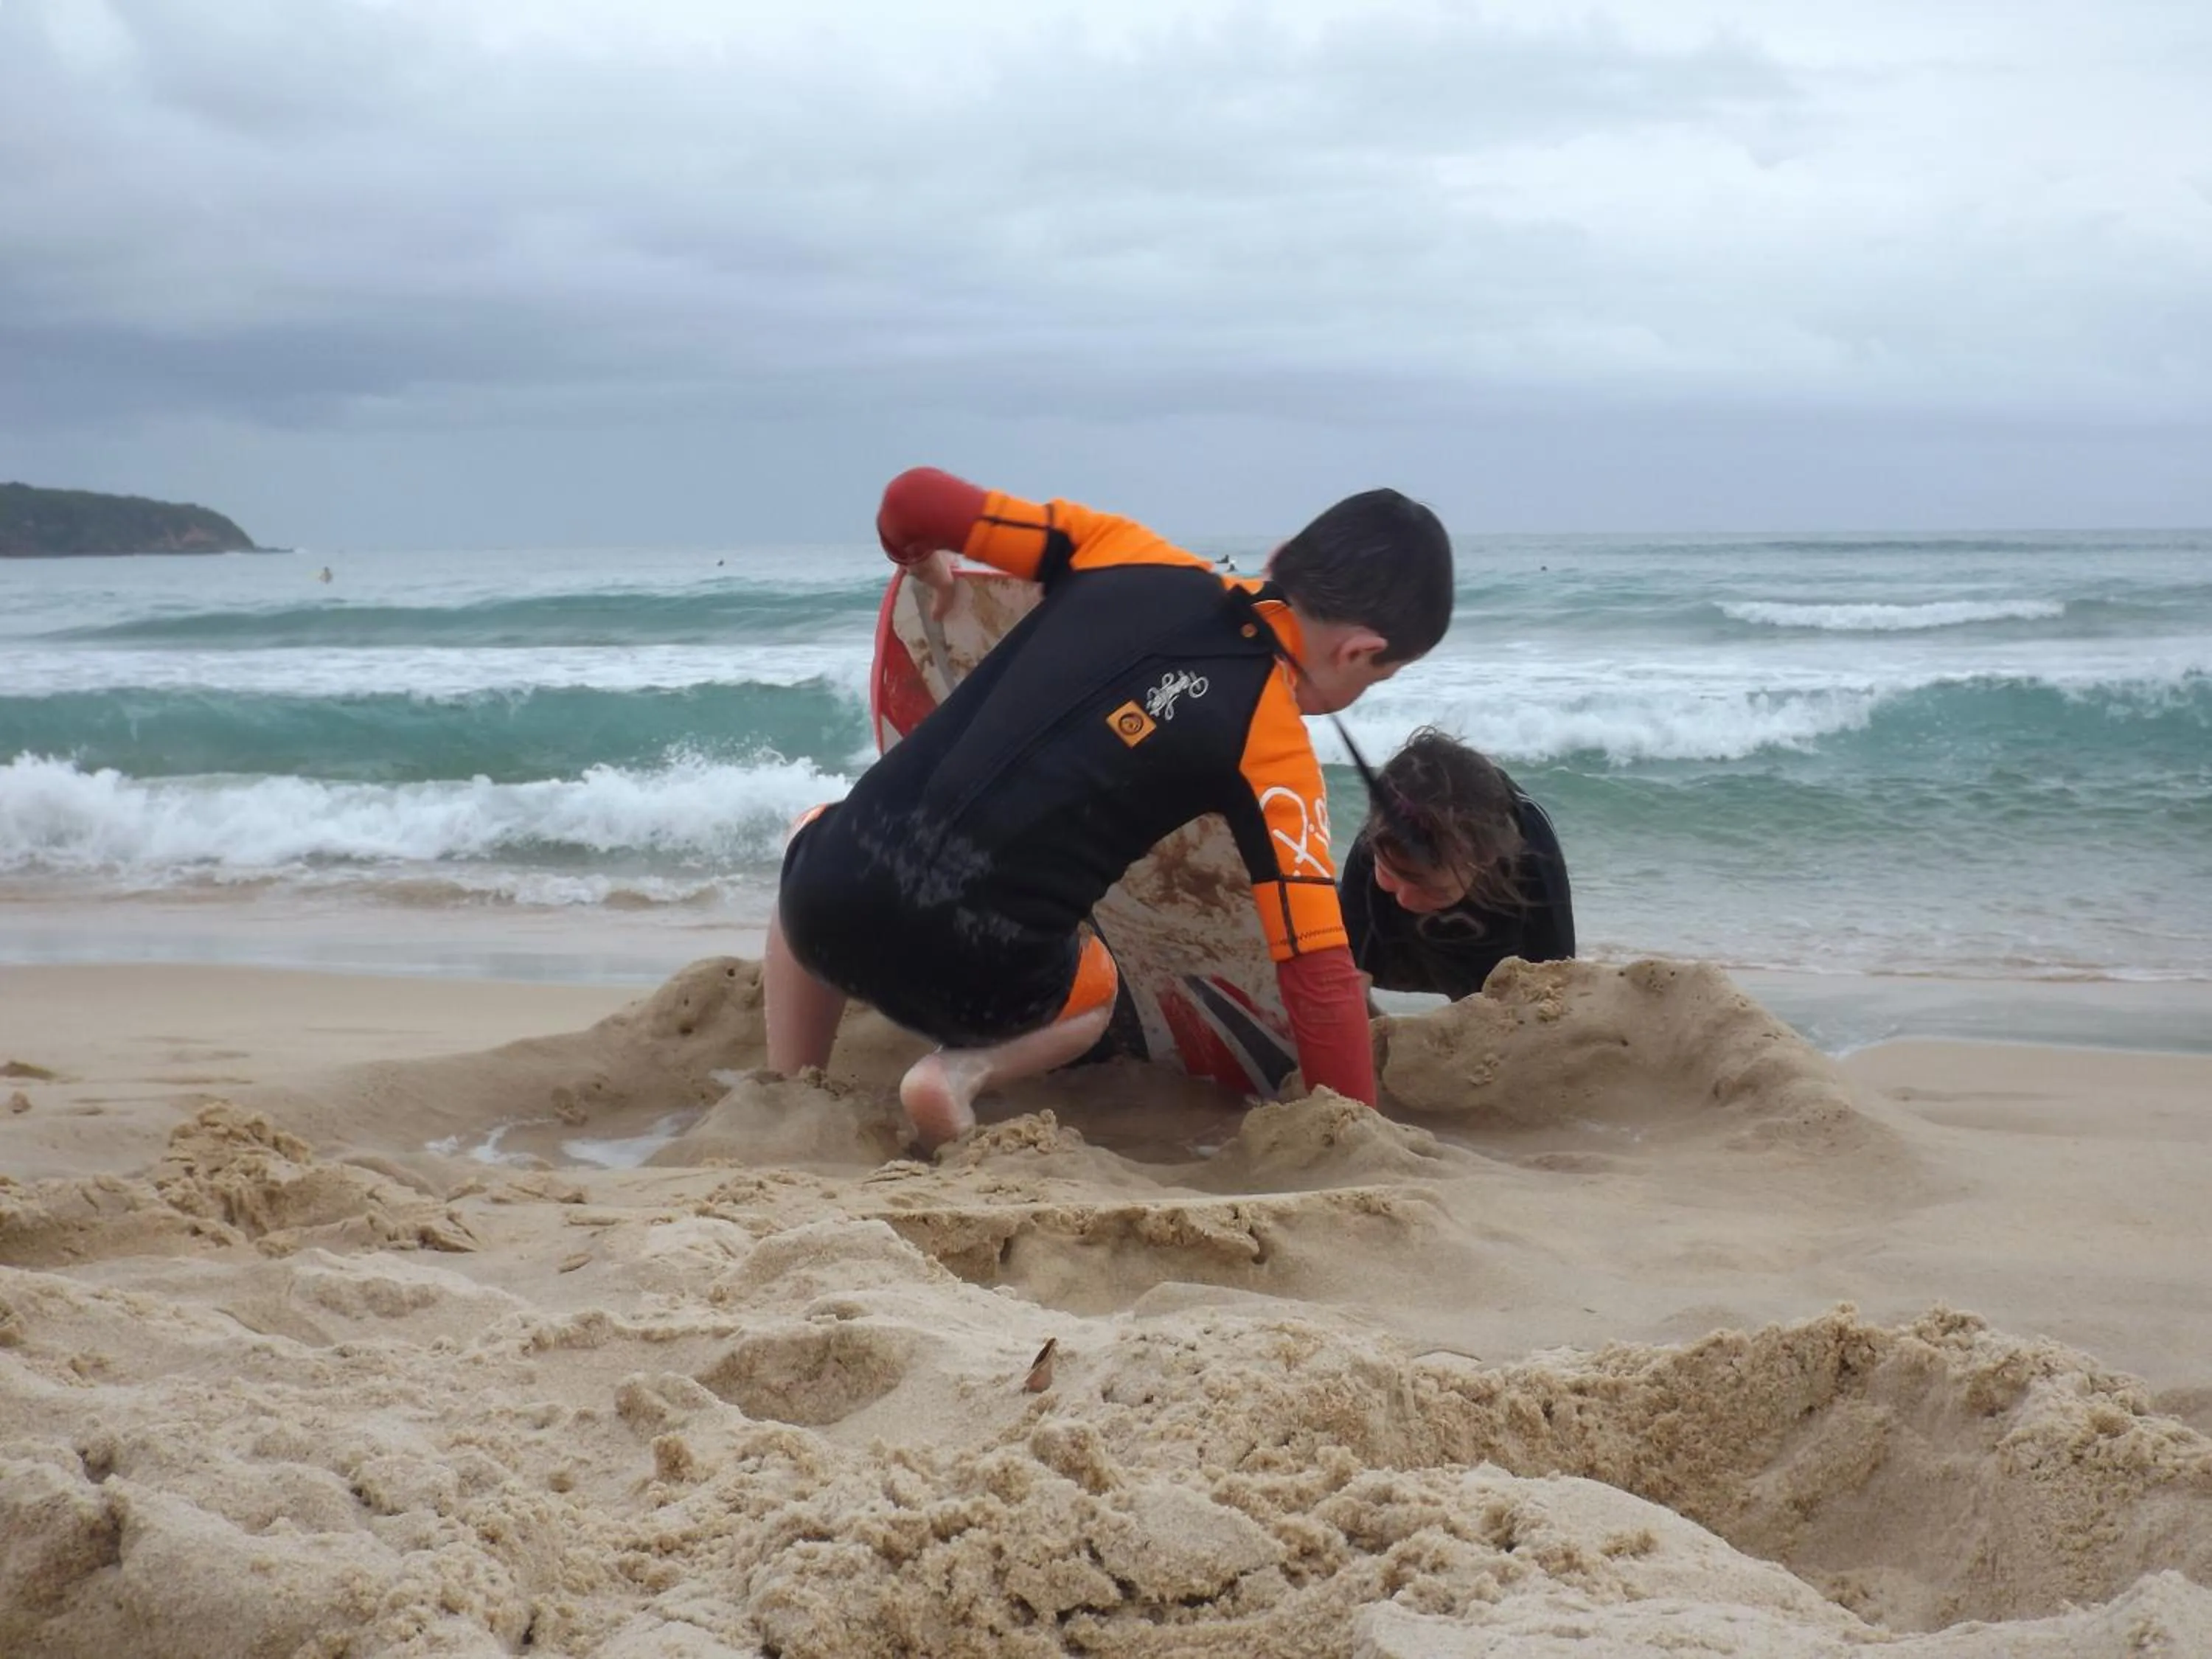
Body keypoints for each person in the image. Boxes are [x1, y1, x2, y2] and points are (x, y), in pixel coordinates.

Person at [767, 466, 1454, 1149]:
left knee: (821, 828)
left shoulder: (1122, 550)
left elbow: (911, 500)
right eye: (1378, 676)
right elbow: (1317, 974)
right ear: (1361, 650)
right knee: (1095, 982)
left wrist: (928, 565)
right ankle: (955, 1076)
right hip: (972, 983)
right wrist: (1356, 1131)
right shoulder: (1276, 754)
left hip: (823, 907)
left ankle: (789, 1089)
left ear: (1280, 558)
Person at [1339, 727, 1574, 1001]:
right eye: (1387, 873)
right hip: (1404, 951)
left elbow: (1556, 975)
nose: (1404, 899)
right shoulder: (1382, 834)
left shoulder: (1532, 847)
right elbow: (1352, 969)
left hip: (1490, 946)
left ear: (1484, 858)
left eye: (1430, 889)